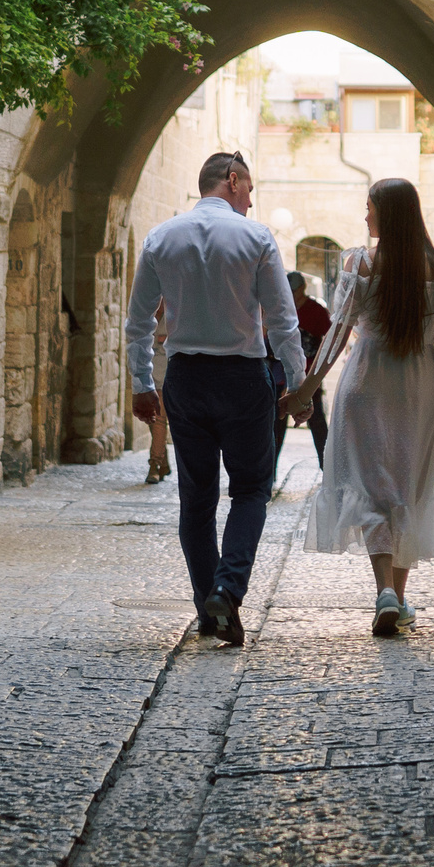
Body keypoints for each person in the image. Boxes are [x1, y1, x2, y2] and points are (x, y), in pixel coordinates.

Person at [126, 151, 305, 649]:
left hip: (186, 378)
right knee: (250, 490)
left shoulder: (162, 237)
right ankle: (227, 589)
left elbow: (139, 320)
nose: (250, 201)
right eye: (248, 190)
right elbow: (282, 319)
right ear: (232, 180)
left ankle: (208, 606)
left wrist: (142, 383)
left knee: (197, 498)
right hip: (243, 379)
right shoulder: (256, 237)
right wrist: (299, 383)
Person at [283, 177, 434, 638]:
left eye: (369, 207)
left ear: (387, 214)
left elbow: (337, 334)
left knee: (371, 487)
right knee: (405, 487)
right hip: (419, 392)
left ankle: (387, 591)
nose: (364, 215)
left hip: (366, 386)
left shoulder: (361, 264)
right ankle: (398, 598)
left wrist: (307, 389)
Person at [286, 269, 332, 466]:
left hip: (310, 373)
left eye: (294, 291)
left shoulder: (316, 311)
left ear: (302, 288)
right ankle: (268, 475)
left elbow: (330, 339)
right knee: (275, 423)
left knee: (317, 421)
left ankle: (327, 466)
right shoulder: (283, 308)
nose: (292, 295)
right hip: (283, 373)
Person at [142, 298, 173, 483]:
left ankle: (154, 464)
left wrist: (162, 339)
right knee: (151, 419)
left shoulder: (175, 313)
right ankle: (165, 462)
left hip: (164, 373)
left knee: (159, 419)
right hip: (146, 372)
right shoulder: (145, 313)